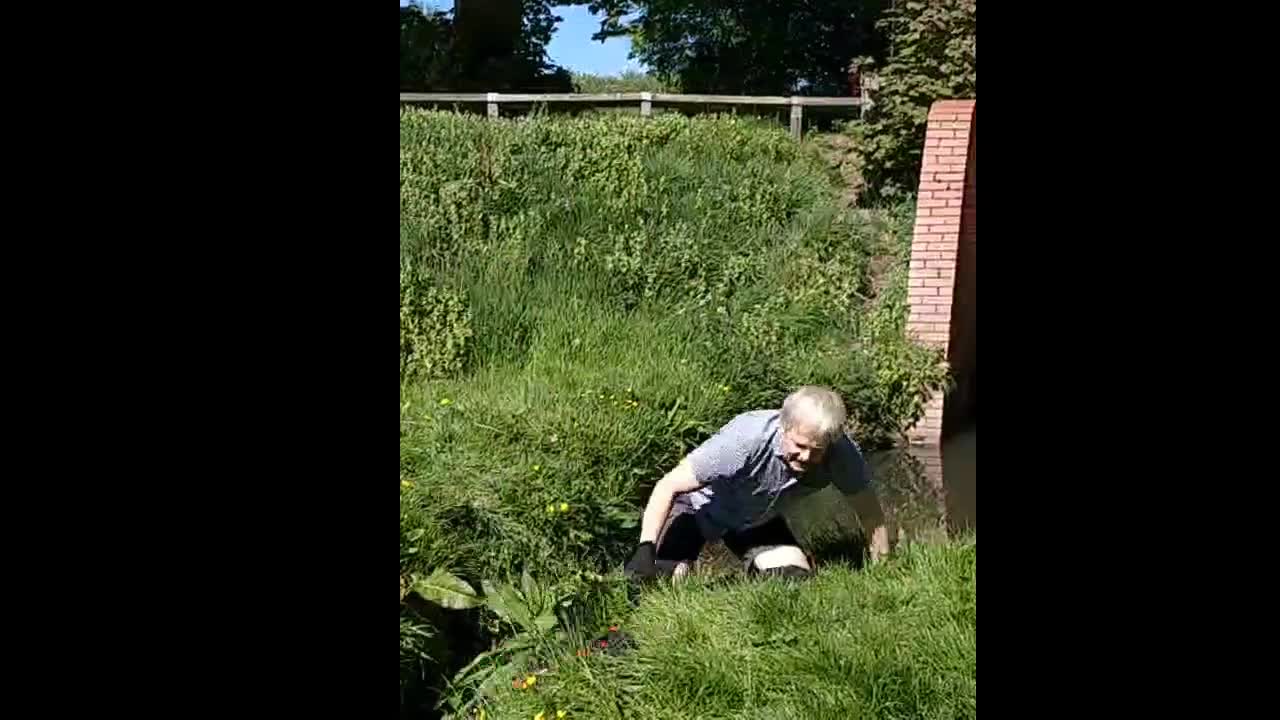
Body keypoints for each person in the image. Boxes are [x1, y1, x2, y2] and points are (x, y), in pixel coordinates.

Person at [624, 385, 890, 580]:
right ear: (784, 427)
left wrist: (881, 571)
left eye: (817, 450)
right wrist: (645, 548)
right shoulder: (745, 439)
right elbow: (667, 485)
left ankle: (746, 584)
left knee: (794, 577)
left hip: (755, 519)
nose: (807, 457)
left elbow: (871, 516)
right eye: (799, 445)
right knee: (664, 581)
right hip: (699, 507)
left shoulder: (842, 454)